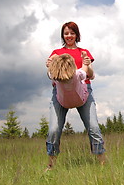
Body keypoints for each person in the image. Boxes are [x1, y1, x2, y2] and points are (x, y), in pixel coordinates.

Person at [45, 21, 106, 170]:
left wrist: (86, 64)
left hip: (83, 91)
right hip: (61, 93)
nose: (69, 36)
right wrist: (49, 65)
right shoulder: (56, 53)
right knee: (53, 129)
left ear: (76, 35)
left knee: (93, 127)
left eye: (72, 33)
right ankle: (51, 166)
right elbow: (50, 73)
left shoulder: (84, 52)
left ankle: (102, 164)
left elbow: (91, 75)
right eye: (66, 33)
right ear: (63, 35)